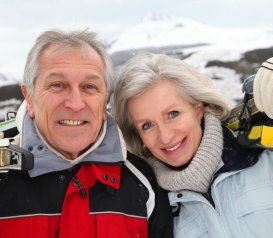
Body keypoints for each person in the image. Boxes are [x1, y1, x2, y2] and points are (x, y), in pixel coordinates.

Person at [112, 49, 273, 238]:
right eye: (147, 125)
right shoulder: (156, 210)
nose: (165, 137)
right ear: (138, 136)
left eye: (173, 114)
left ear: (198, 107)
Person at [0, 29, 173, 238]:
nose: (75, 104)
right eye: (57, 85)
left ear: (104, 103)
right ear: (29, 98)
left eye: (89, 86)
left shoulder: (141, 181)